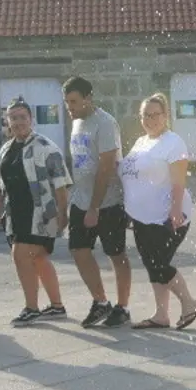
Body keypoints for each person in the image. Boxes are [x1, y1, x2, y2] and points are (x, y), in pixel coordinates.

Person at [118, 94, 196, 330]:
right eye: (146, 115)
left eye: (156, 114)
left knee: (158, 263)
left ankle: (189, 303)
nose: (150, 119)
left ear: (165, 116)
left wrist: (175, 210)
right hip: (142, 218)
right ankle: (161, 314)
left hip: (167, 216)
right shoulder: (141, 142)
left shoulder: (173, 142)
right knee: (150, 263)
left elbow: (178, 180)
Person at [0, 98, 72, 327]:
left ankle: (31, 308)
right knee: (39, 258)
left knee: (20, 256)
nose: (18, 122)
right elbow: (0, 182)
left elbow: (61, 184)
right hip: (15, 213)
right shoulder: (6, 148)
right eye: (13, 118)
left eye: (22, 117)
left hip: (42, 214)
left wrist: (63, 214)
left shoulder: (46, 147)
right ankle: (57, 306)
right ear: (7, 121)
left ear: (31, 119)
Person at [63, 77, 132, 328]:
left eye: (74, 102)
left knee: (116, 254)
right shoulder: (77, 121)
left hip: (107, 202)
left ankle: (123, 307)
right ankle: (101, 302)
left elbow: (106, 169)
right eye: (67, 102)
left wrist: (94, 207)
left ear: (88, 98)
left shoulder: (105, 123)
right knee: (79, 250)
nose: (69, 107)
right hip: (80, 199)